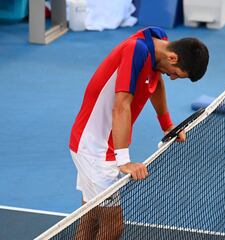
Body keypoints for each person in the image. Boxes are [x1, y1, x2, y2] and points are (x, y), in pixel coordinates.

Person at [69, 26, 209, 239]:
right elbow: (121, 105)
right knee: (112, 227)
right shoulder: (136, 50)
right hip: (94, 149)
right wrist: (123, 160)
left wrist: (167, 125)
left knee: (91, 218)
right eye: (176, 74)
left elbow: (157, 83)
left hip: (97, 144)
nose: (172, 78)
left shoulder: (158, 43)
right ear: (172, 57)